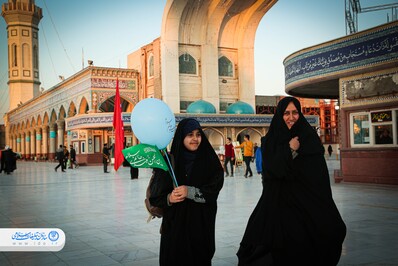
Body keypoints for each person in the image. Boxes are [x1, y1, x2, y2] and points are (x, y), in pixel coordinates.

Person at [237, 97, 346, 266]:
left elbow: (319, 177)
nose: (291, 117)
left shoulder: (309, 139)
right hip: (279, 205)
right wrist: (290, 150)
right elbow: (272, 172)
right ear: (280, 115)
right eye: (286, 113)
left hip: (306, 205)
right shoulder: (270, 141)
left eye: (295, 112)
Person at [149, 118, 224, 266]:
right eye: (190, 135)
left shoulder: (210, 161)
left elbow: (213, 190)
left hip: (200, 227)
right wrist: (169, 198)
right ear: (181, 136)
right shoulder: (169, 162)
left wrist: (189, 191)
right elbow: (155, 197)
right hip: (175, 229)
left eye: (198, 134)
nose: (195, 139)